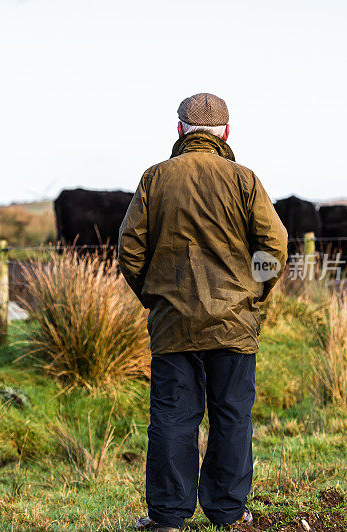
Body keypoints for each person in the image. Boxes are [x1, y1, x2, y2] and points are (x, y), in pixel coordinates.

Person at [118, 93, 288, 530]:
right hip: (235, 325)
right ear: (226, 133)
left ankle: (168, 518)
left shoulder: (154, 179)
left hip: (173, 326)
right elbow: (275, 245)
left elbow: (130, 249)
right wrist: (255, 291)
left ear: (179, 130)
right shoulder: (244, 179)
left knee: (173, 419)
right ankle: (228, 514)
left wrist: (154, 299)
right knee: (232, 417)